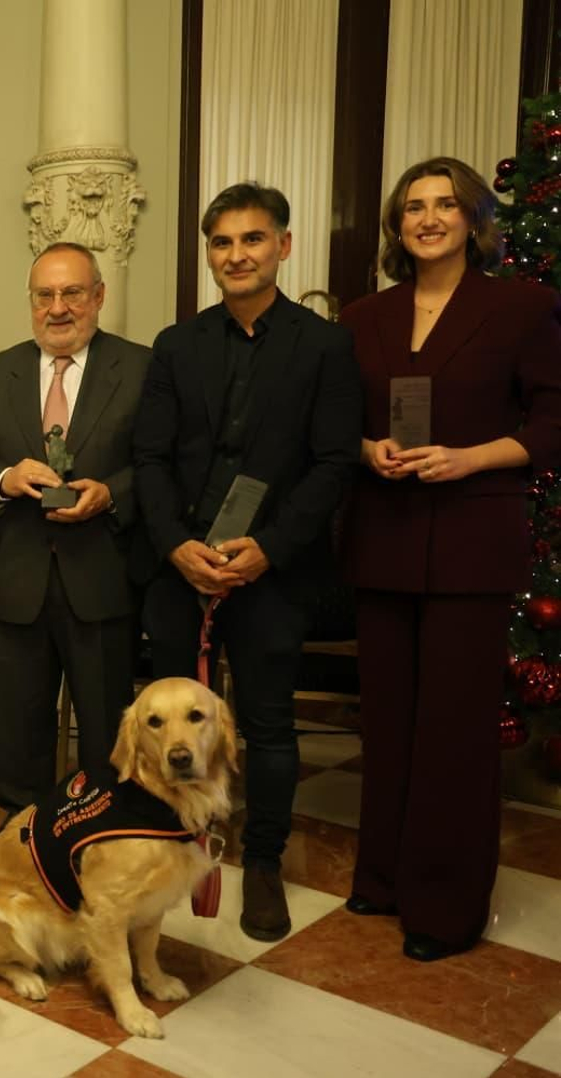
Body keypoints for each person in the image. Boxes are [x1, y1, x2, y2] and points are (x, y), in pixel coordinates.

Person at [340, 157, 561, 962]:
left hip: (472, 536)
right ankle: (385, 876)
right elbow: (339, 421)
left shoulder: (522, 307)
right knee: (390, 722)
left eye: (445, 205)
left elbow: (551, 423)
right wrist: (369, 449)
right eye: (412, 208)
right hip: (384, 535)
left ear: (475, 218)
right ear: (397, 227)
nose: (427, 218)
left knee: (455, 731)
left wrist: (472, 457)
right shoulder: (366, 316)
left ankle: (445, 906)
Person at [132, 183, 361, 943]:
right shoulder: (178, 345)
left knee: (264, 725)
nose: (237, 255)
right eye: (223, 243)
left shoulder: (324, 345)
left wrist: (267, 549)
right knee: (168, 725)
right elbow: (151, 458)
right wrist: (175, 545)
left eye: (253, 240)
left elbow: (332, 465)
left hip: (274, 572)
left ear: (283, 247)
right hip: (182, 570)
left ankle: (261, 861)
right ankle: (169, 844)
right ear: (209, 254)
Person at [0, 242, 151, 824]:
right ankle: (23, 839)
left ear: (98, 297)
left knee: (106, 733)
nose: (57, 308)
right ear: (31, 302)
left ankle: (99, 837)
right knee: (19, 728)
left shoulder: (140, 369)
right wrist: (8, 477)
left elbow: (160, 467)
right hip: (17, 579)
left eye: (71, 293)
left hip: (103, 578)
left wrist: (109, 493)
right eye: (45, 295)